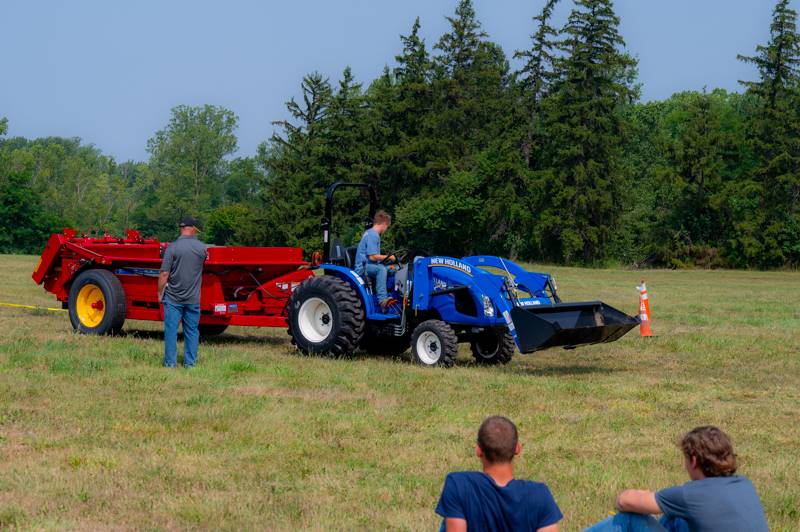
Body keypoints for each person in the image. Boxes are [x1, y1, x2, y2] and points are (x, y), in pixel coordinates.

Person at [585, 426, 768, 532]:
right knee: (677, 518)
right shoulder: (745, 485)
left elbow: (625, 502)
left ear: (694, 461)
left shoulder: (691, 496)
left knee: (629, 519)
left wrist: (638, 496)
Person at [436, 416, 563, 531]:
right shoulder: (540, 494)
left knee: (451, 515)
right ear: (517, 448)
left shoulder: (459, 485)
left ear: (478, 450)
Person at [158, 216, 208, 368]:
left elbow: (164, 274)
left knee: (171, 332)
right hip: (193, 298)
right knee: (192, 331)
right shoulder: (202, 248)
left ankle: (170, 364)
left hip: (173, 298)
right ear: (192, 228)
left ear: (181, 228)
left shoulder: (172, 247)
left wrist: (160, 293)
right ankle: (190, 364)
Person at [354, 210, 397, 309]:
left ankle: (394, 296)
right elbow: (372, 257)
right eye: (387, 227)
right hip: (363, 267)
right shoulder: (373, 235)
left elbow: (375, 258)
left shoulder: (370, 233)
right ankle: (382, 300)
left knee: (392, 269)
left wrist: (387, 261)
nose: (386, 229)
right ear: (384, 224)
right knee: (381, 269)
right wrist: (389, 257)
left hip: (370, 265)